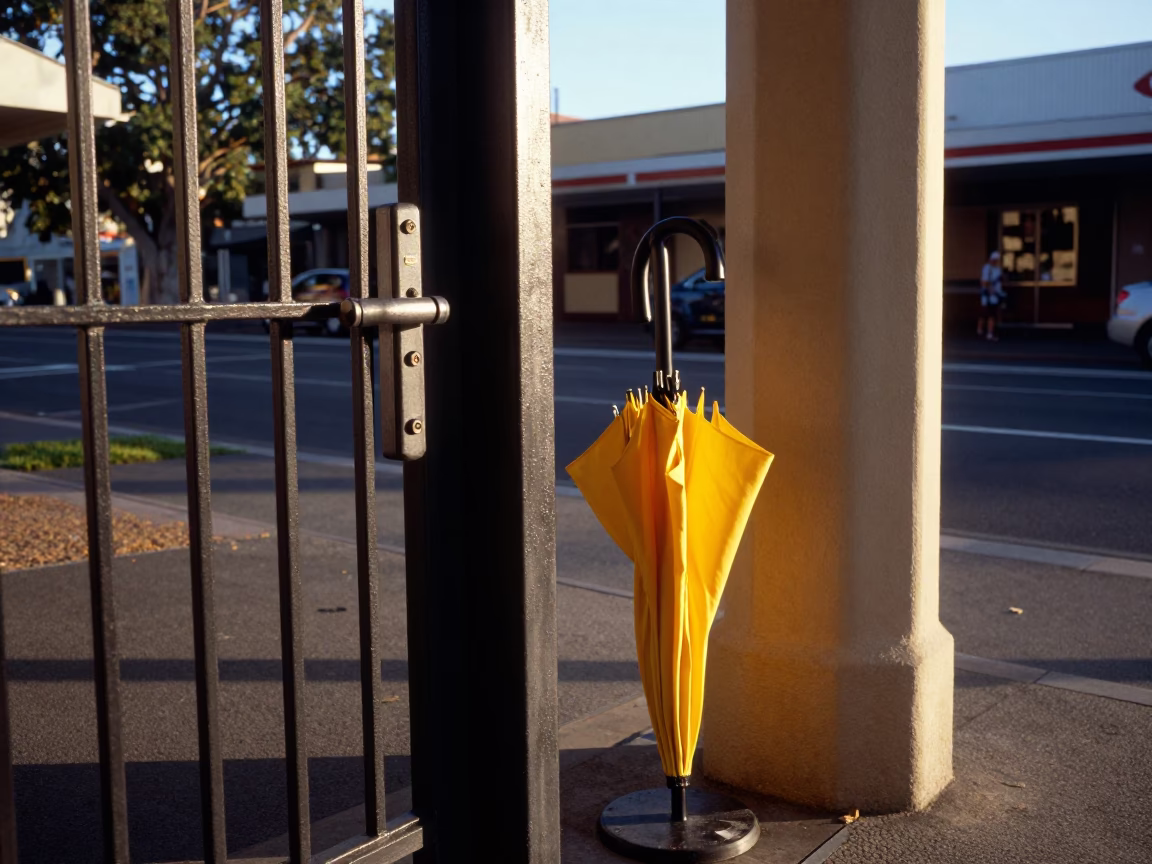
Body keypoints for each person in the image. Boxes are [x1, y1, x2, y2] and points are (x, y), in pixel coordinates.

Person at [979, 251, 1005, 341]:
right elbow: (984, 282)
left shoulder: (998, 269)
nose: (996, 262)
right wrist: (990, 290)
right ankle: (987, 333)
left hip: (996, 295)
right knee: (989, 315)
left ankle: (984, 331)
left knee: (991, 314)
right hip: (989, 295)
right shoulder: (987, 268)